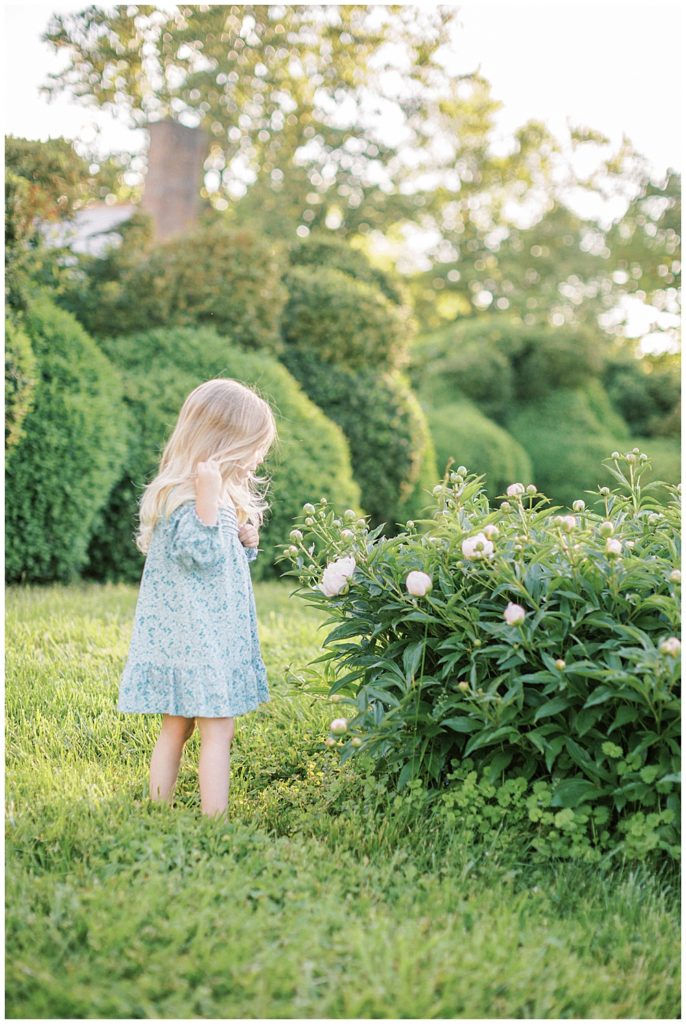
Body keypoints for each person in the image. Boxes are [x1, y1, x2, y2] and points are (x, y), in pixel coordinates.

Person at [117, 378, 278, 818]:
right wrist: (210, 502)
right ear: (223, 441)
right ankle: (214, 820)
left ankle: (157, 805)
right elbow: (199, 553)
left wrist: (247, 541)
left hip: (202, 633)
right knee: (218, 729)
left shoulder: (214, 496)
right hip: (196, 637)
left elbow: (223, 561)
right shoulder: (190, 496)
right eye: (252, 448)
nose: (257, 459)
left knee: (179, 726)